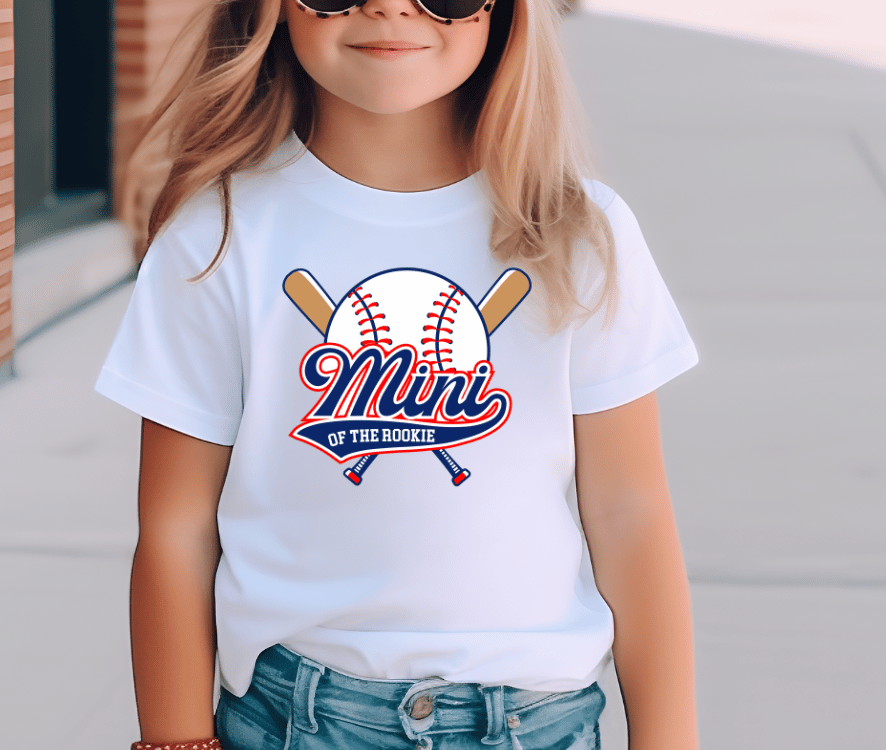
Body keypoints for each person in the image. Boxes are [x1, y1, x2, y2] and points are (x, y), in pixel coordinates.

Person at [95, 0, 701, 748]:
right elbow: (175, 528)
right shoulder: (220, 235)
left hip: (534, 719)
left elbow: (629, 511)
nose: (389, 6)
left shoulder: (577, 230)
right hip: (294, 717)